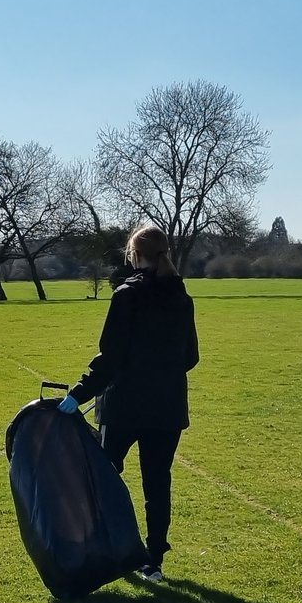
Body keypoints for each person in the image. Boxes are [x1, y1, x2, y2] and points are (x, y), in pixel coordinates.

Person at [60, 223, 199, 583]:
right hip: (166, 408)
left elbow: (111, 356)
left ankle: (106, 548)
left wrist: (78, 395)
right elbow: (190, 357)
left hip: (123, 406)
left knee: (103, 479)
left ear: (135, 255)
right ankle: (153, 560)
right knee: (157, 483)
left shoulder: (127, 296)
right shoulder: (182, 299)